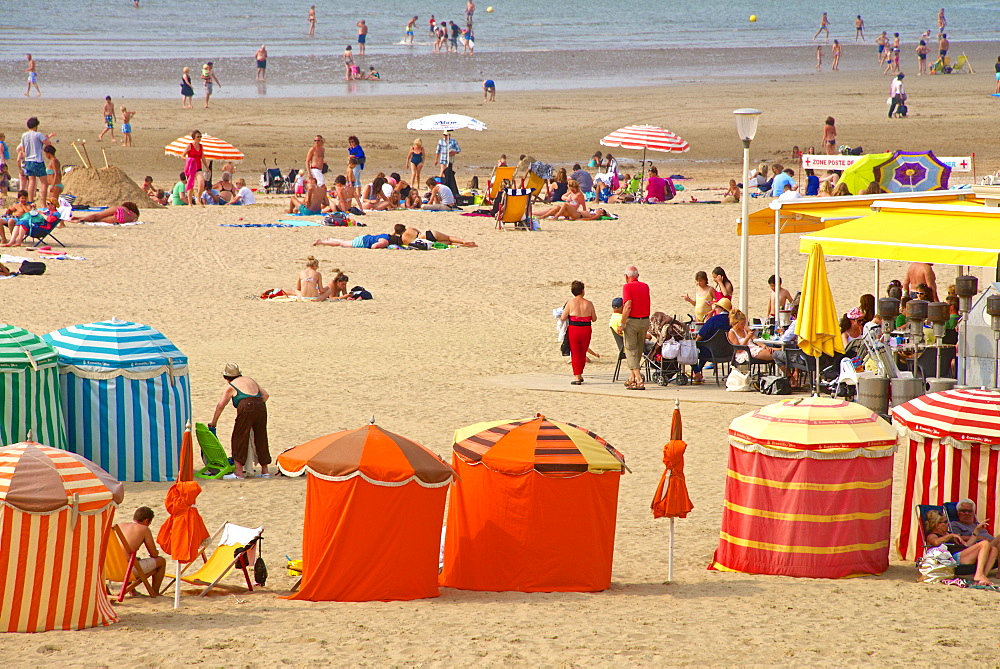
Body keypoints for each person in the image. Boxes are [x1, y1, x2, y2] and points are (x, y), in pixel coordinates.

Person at [208, 363, 270, 479]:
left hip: (247, 406)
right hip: (260, 405)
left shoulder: (231, 386)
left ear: (226, 377)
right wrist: (256, 408)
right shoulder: (250, 380)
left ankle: (238, 472)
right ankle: (265, 471)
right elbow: (265, 395)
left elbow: (221, 405)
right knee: (261, 437)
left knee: (239, 438)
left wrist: (214, 422)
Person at [924, 509, 996, 585]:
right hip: (953, 559)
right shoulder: (932, 535)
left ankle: (982, 576)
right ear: (937, 525)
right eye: (945, 522)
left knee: (994, 549)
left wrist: (976, 530)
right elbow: (935, 542)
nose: (948, 523)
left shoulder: (947, 533)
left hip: (963, 554)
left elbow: (966, 545)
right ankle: (979, 574)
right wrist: (950, 535)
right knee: (984, 543)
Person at [615, 266, 650, 390]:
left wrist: (622, 323)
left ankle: (639, 379)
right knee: (639, 348)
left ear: (626, 276)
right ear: (638, 276)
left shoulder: (627, 287)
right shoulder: (645, 286)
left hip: (633, 321)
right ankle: (632, 377)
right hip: (645, 320)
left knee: (630, 349)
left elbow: (628, 305)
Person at [118, 507, 167, 597]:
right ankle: (155, 592)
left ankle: (132, 590)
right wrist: (156, 552)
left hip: (110, 569)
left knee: (131, 560)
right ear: (146, 520)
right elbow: (154, 554)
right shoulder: (143, 529)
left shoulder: (120, 525)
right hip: (127, 571)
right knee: (161, 561)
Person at [560, 281, 597, 385]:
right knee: (582, 352)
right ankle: (580, 374)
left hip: (574, 329)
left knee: (575, 353)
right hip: (586, 329)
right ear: (582, 291)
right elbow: (594, 319)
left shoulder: (570, 303)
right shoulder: (589, 303)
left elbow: (563, 317)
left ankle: (577, 376)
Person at [691, 297, 733, 384]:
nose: (715, 309)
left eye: (716, 307)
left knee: (690, 347)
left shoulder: (714, 320)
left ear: (721, 309)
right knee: (707, 345)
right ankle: (698, 371)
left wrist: (694, 341)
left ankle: (697, 372)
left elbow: (700, 335)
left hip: (710, 352)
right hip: (728, 352)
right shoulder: (732, 320)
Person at [18, 117, 51, 202]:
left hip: (28, 161)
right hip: (37, 160)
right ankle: (43, 203)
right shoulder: (38, 134)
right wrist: (46, 138)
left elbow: (23, 148)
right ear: (36, 126)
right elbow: (48, 144)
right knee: (44, 183)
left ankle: (30, 200)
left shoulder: (24, 135)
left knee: (31, 181)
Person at [393, 224, 478, 247]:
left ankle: (463, 245)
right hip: (426, 234)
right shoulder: (410, 229)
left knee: (449, 243)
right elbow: (419, 231)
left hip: (426, 242)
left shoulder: (403, 239)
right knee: (449, 237)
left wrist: (394, 233)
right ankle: (464, 241)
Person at [183, 130, 208, 206]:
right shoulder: (190, 145)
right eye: (198, 137)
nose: (199, 138)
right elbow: (182, 155)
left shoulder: (201, 146)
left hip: (198, 167)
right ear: (194, 137)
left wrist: (207, 167)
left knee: (201, 183)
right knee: (191, 185)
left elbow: (202, 157)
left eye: (200, 137)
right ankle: (190, 203)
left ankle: (198, 199)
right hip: (191, 167)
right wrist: (188, 159)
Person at [70, 201, 140, 225]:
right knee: (98, 220)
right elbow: (134, 221)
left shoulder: (123, 208)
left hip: (119, 210)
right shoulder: (134, 215)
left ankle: (80, 219)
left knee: (97, 216)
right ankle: (80, 219)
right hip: (121, 219)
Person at [313, 232, 394, 249]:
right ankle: (321, 242)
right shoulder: (385, 242)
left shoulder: (386, 235)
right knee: (341, 243)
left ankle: (330, 239)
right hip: (362, 242)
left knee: (345, 242)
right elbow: (373, 246)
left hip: (364, 238)